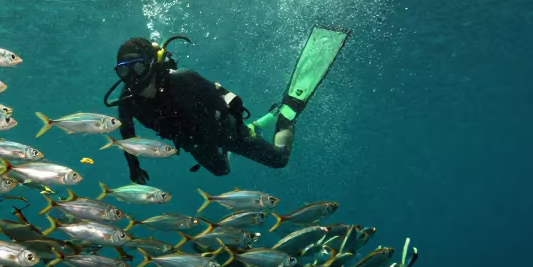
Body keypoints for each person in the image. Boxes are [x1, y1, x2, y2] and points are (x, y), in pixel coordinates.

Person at [103, 27, 349, 183]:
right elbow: (128, 136)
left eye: (137, 67)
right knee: (221, 172)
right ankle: (257, 126)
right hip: (194, 143)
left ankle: (285, 116)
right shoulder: (127, 101)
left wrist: (238, 128)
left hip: (225, 130)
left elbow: (223, 99)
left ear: (151, 64)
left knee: (279, 160)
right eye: (124, 71)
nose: (132, 77)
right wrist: (134, 167)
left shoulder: (183, 79)